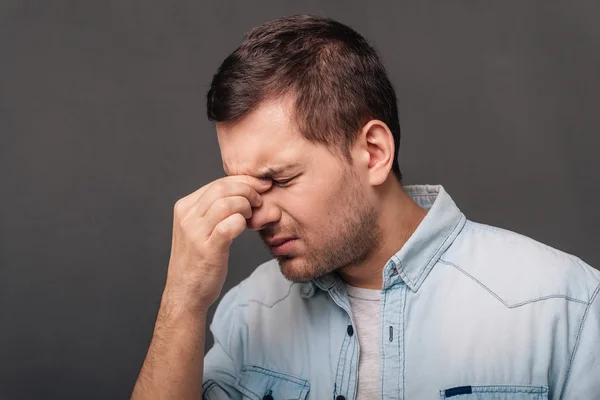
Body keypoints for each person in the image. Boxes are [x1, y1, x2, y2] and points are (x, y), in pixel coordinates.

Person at [131, 15, 600, 400]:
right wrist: (183, 301)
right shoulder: (248, 313)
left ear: (373, 153)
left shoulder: (567, 306)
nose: (256, 214)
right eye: (245, 185)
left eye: (280, 179)